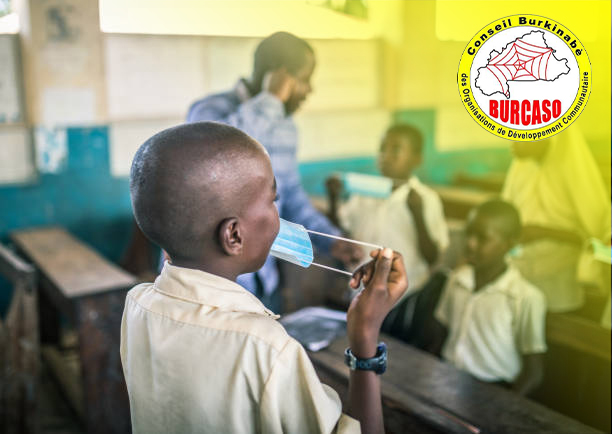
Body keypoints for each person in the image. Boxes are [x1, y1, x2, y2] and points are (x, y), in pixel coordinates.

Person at [122, 121, 409, 434]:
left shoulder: (136, 305)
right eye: (273, 201)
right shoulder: (265, 348)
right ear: (233, 235)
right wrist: (365, 338)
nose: (278, 216)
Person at [185, 32, 360, 312]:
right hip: (210, 282)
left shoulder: (286, 127)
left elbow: (290, 198)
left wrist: (331, 239)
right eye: (304, 79)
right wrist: (270, 100)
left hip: (262, 278)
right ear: (281, 78)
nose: (309, 90)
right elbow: (221, 155)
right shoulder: (209, 111)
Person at [431, 200, 547, 396]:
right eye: (469, 233)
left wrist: (505, 409)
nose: (471, 244)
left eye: (483, 238)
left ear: (510, 244)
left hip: (493, 389)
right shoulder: (457, 280)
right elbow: (439, 334)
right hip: (447, 377)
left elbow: (534, 372)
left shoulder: (525, 297)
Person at [327, 123, 449, 292]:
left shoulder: (425, 199)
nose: (385, 155)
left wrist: (418, 215)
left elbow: (433, 258)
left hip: (405, 293)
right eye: (383, 148)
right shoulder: (363, 193)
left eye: (396, 150)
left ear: (417, 159)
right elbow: (339, 232)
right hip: (362, 290)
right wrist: (333, 199)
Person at [502, 129, 611, 313]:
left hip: (561, 277)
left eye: (521, 135)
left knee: (556, 330)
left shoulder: (573, 171)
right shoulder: (520, 168)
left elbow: (596, 241)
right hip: (520, 268)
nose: (512, 141)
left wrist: (542, 232)